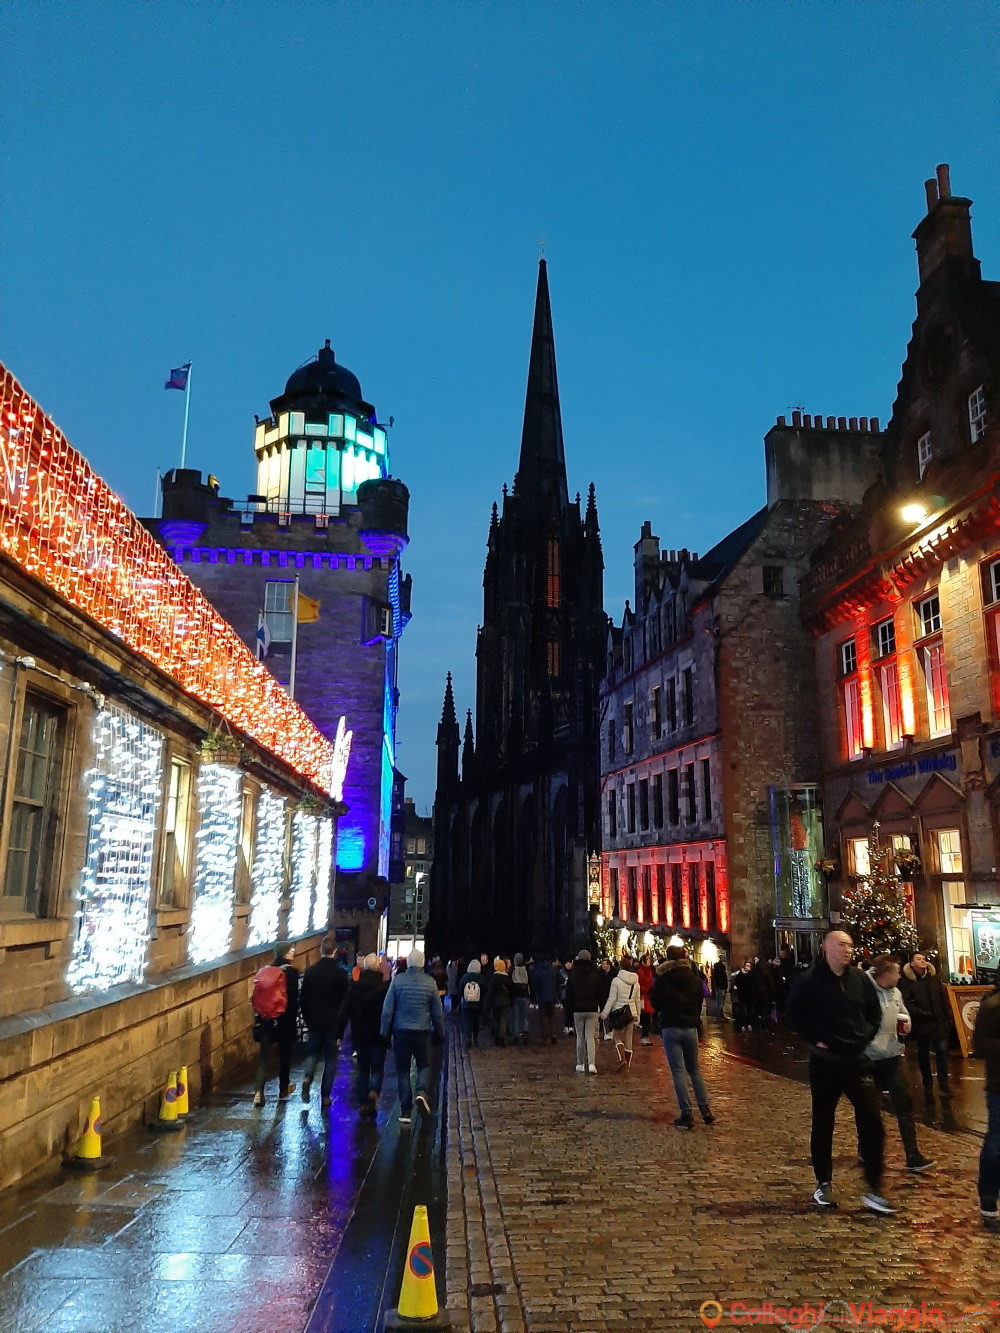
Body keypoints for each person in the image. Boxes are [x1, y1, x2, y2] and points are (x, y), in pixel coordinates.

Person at [785, 929, 893, 1214]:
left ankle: (874, 1186)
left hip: (856, 1060)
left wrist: (863, 1036)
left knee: (872, 1119)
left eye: (850, 945)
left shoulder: (859, 980)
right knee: (823, 1121)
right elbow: (793, 1014)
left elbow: (874, 1014)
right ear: (827, 948)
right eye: (842, 945)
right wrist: (815, 1037)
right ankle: (823, 1182)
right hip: (825, 1062)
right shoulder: (809, 980)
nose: (848, 950)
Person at [865, 955, 934, 1172]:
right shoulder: (865, 991)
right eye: (896, 972)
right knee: (870, 1110)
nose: (899, 976)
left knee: (904, 1104)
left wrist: (906, 1023)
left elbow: (903, 1012)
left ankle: (913, 1155)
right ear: (885, 974)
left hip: (894, 1054)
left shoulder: (895, 992)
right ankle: (866, 1151)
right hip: (869, 1057)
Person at [651, 945, 714, 1128]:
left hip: (671, 1026)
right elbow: (699, 999)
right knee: (694, 1069)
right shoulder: (693, 978)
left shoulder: (663, 979)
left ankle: (687, 1113)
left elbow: (655, 1001)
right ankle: (705, 1109)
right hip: (690, 1027)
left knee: (678, 1071)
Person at [380, 947, 444, 1124]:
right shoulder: (430, 982)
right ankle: (421, 1091)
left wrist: (384, 1033)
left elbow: (387, 1010)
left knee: (403, 1070)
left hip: (400, 1031)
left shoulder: (397, 981)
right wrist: (440, 1033)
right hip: (422, 1031)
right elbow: (437, 1013)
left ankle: (406, 1111)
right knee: (424, 1065)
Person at [335, 952, 389, 1116]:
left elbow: (344, 1011)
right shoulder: (384, 988)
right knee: (377, 1067)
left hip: (360, 1034)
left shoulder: (354, 988)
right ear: (377, 967)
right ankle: (374, 1091)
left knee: (363, 1068)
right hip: (379, 1034)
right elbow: (389, 1012)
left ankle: (363, 1099)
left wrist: (339, 1033)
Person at [299, 935, 349, 1108]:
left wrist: (308, 1018)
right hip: (333, 1023)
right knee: (331, 1059)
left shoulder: (311, 972)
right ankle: (326, 1096)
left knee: (312, 1053)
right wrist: (341, 1026)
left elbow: (303, 999)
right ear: (335, 951)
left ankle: (307, 1077)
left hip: (314, 1021)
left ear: (320, 950)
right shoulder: (341, 974)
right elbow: (345, 1002)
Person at [252, 943, 300, 1107]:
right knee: (284, 1055)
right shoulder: (291, 973)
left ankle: (258, 1092)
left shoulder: (265, 972)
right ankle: (283, 1088)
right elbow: (293, 1000)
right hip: (285, 1021)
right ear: (286, 954)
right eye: (291, 950)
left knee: (263, 1056)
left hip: (266, 1020)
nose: (293, 953)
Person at [899, 953, 952, 1102]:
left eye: (923, 959)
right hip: (921, 1024)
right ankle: (927, 1084)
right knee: (923, 1054)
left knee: (942, 1053)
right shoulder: (907, 982)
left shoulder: (934, 979)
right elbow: (906, 1003)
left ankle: (944, 1085)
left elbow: (942, 998)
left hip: (938, 1022)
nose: (922, 961)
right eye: (918, 959)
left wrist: (947, 1015)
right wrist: (921, 1013)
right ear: (911, 963)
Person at [972, 979, 1000, 1227]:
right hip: (999, 1085)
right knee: (996, 1141)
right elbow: (980, 1043)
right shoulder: (993, 1005)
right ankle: (988, 1197)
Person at [565, 949, 602, 1073]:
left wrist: (568, 1017)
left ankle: (580, 1063)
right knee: (590, 1037)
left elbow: (569, 996)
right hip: (592, 1009)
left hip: (577, 1010)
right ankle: (591, 1064)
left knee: (580, 1037)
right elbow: (600, 994)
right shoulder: (595, 974)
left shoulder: (573, 975)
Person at [602, 953, 641, 1072]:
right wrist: (638, 1014)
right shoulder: (636, 982)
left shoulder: (616, 981)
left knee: (617, 1037)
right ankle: (627, 1065)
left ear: (620, 967)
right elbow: (637, 1000)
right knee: (629, 1039)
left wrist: (604, 1013)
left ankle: (622, 1059)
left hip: (618, 1012)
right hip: (631, 1012)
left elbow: (612, 999)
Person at [532, 957, 561, 1044]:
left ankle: (545, 1037)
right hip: (552, 996)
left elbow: (534, 985)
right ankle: (553, 1034)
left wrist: (534, 997)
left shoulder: (538, 971)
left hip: (541, 997)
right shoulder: (554, 970)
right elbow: (561, 980)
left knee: (543, 1017)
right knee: (552, 1016)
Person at [485, 958, 513, 1046]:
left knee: (496, 1020)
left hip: (495, 1002)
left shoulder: (493, 978)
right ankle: (502, 1037)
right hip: (506, 1002)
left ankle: (497, 1037)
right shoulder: (507, 978)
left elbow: (490, 992)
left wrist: (488, 1004)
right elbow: (511, 991)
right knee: (504, 1020)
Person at [458, 958, 484, 1048]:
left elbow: (460, 989)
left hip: (467, 1004)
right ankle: (475, 1038)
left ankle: (468, 1038)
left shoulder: (465, 977)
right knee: (476, 1021)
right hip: (478, 1004)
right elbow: (484, 990)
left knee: (467, 1021)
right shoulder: (481, 977)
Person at [509, 953, 532, 1045]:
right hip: (525, 995)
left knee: (515, 1017)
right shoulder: (526, 970)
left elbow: (509, 983)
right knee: (525, 1017)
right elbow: (530, 982)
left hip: (515, 996)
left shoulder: (512, 970)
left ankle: (515, 1035)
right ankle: (525, 1032)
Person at [636, 953, 656, 1045]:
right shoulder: (640, 972)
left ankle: (645, 1035)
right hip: (642, 997)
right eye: (647, 959)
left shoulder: (649, 971)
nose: (649, 961)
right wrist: (647, 990)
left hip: (647, 997)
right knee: (645, 1017)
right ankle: (644, 1036)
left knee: (647, 1017)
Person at [598, 957, 615, 1041]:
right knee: (603, 1014)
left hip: (611, 995)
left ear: (608, 965)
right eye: (602, 964)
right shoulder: (600, 973)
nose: (603, 966)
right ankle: (606, 1032)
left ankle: (611, 1030)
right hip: (602, 996)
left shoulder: (614, 973)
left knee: (611, 1014)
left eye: (604, 964)